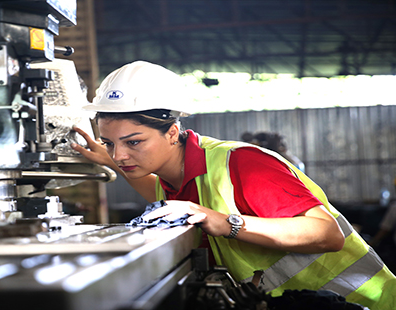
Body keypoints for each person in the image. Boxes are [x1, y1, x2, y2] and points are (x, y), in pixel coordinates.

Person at [70, 61, 395, 309]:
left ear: (172, 131)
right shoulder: (174, 181)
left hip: (361, 302)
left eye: (133, 142)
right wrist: (109, 159)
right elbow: (149, 185)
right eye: (110, 143)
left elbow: (328, 235)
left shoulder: (240, 163)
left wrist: (226, 223)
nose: (122, 154)